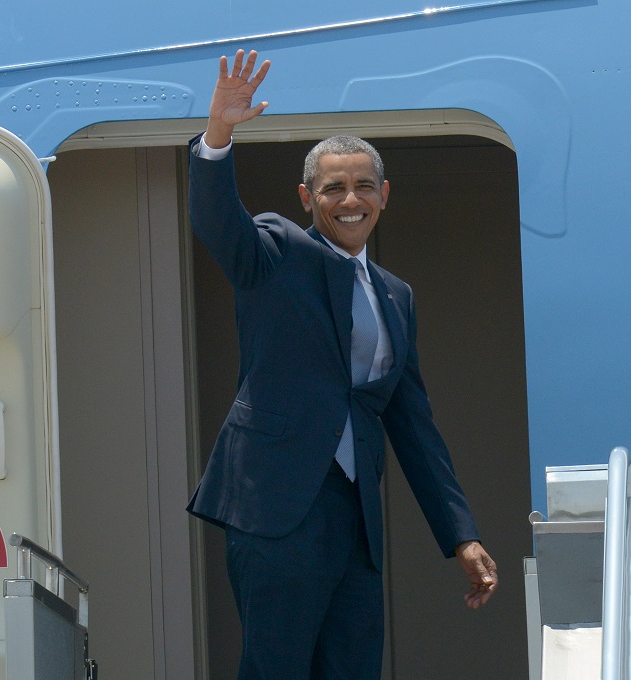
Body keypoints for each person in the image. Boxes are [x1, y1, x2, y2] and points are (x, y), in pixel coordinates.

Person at [186, 50, 498, 680]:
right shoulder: (278, 251)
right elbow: (221, 227)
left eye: (362, 186)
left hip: (356, 519)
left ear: (384, 195)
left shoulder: (396, 294)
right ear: (308, 196)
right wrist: (218, 135)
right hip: (277, 509)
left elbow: (413, 424)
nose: (349, 200)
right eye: (333, 187)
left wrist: (459, 534)